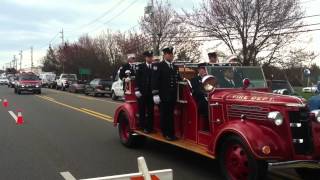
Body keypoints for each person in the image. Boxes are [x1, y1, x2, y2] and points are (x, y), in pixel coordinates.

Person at [152, 47, 181, 141]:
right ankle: (165, 133)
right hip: (163, 95)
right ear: (164, 55)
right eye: (168, 54)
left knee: (171, 115)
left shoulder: (174, 67)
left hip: (172, 95)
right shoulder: (159, 66)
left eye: (171, 54)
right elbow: (155, 80)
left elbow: (178, 79)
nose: (170, 56)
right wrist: (155, 94)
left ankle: (171, 133)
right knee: (165, 115)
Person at [135, 50, 154, 133]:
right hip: (142, 92)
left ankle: (150, 127)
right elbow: (137, 79)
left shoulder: (154, 67)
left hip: (151, 93)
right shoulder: (141, 66)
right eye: (148, 57)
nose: (150, 58)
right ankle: (142, 126)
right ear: (146, 58)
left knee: (151, 111)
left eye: (151, 57)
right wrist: (137, 90)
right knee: (142, 110)